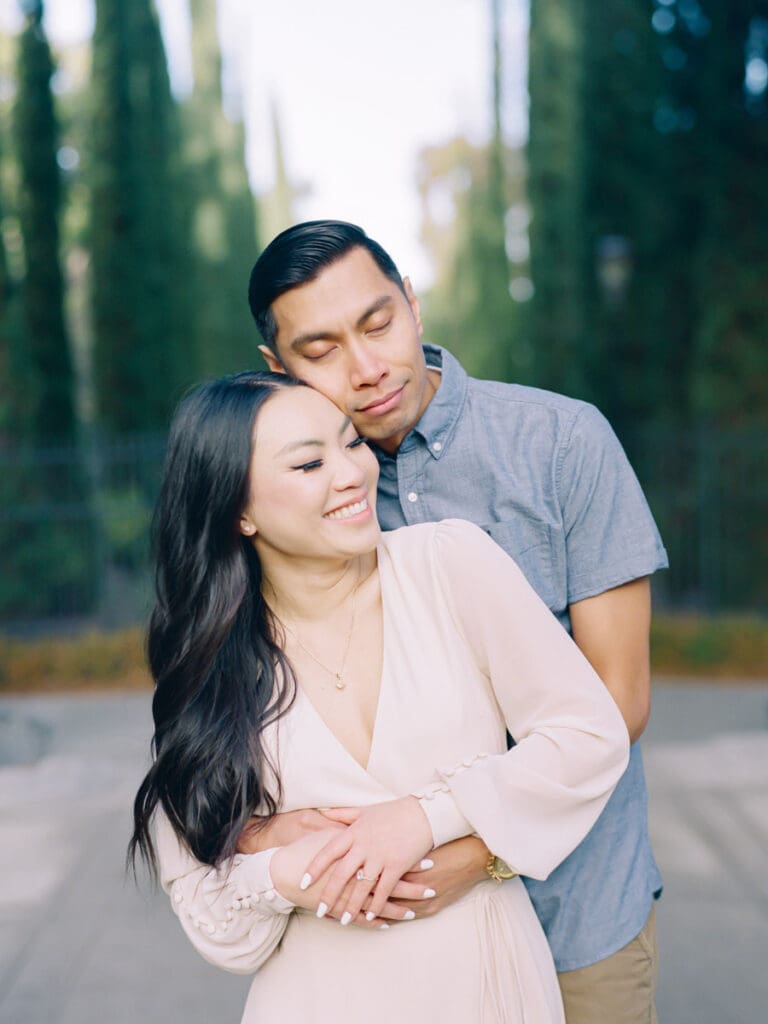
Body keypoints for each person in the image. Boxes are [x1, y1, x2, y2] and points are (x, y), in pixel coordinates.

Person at [245, 221, 669, 1024]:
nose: (367, 368)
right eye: (321, 349)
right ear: (278, 368)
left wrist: (476, 857)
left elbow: (620, 704)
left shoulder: (562, 443)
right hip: (396, 955)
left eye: (379, 324)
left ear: (412, 303)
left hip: (580, 918)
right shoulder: (294, 496)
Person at [130, 370, 629, 1023]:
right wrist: (291, 870)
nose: (351, 474)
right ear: (238, 510)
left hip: (486, 984)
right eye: (310, 463)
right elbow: (218, 926)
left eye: (352, 443)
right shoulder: (209, 665)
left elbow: (589, 734)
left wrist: (426, 818)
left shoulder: (450, 563)